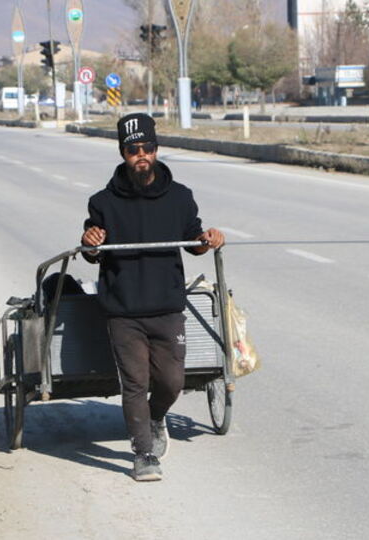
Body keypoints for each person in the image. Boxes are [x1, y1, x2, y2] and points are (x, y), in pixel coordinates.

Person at [81, 113, 224, 481]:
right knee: (135, 383)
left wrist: (207, 239)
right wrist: (91, 242)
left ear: (157, 149)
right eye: (133, 150)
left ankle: (156, 416)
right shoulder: (102, 202)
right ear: (123, 153)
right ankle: (143, 454)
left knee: (172, 382)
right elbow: (91, 250)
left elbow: (193, 241)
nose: (141, 154)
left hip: (167, 307)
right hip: (124, 310)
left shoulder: (180, 197)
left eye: (147, 147)